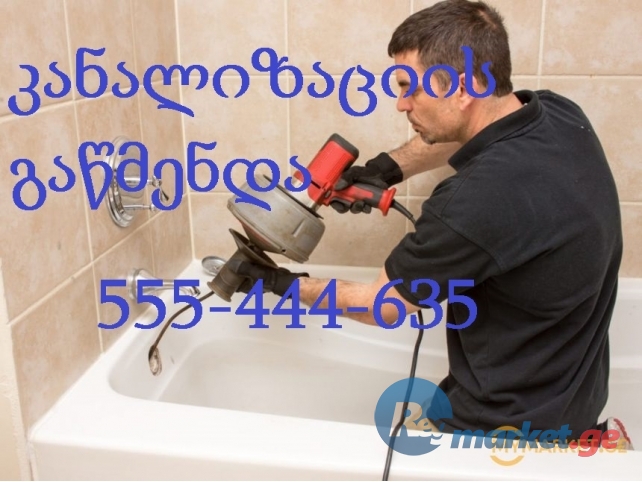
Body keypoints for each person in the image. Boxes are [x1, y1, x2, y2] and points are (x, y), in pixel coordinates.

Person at [229, 0, 628, 442]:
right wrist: (385, 169)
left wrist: (280, 284)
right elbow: (469, 130)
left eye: (409, 88)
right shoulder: (558, 115)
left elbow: (382, 305)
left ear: (462, 89)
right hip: (571, 402)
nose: (400, 104)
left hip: (501, 432)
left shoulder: (475, 200)